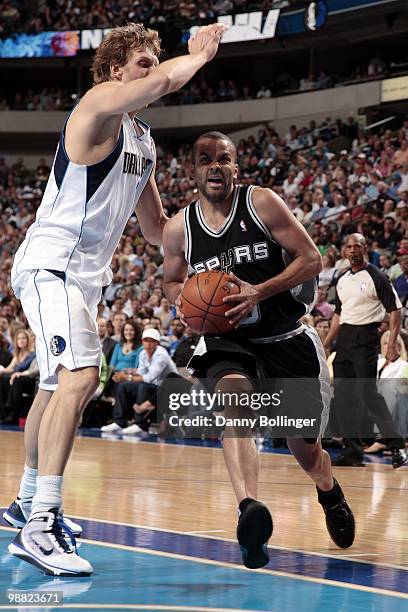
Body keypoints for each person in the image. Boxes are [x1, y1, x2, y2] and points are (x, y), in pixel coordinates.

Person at [5, 22, 227, 577]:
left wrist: (210, 230)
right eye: (143, 63)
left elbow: (155, 230)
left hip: (85, 277)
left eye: (156, 61)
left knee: (59, 385)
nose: (152, 71)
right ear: (112, 73)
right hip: (51, 263)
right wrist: (194, 58)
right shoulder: (96, 106)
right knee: (82, 377)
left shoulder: (142, 142)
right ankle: (41, 526)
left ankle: (25, 503)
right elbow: (162, 86)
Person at [163, 131, 355, 570]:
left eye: (224, 159)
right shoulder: (179, 228)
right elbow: (171, 279)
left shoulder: (261, 202)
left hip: (286, 337)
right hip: (230, 341)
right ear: (192, 170)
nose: (215, 166)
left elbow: (311, 258)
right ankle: (249, 509)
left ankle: (328, 489)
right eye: (206, 159)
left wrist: (260, 291)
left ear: (235, 168)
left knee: (305, 449)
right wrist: (185, 301)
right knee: (236, 405)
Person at [324, 233, 407, 468]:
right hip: (346, 340)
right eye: (348, 246)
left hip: (367, 337)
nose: (352, 250)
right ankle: (352, 451)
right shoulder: (341, 278)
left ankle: (397, 445)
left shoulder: (377, 276)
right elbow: (339, 314)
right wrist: (328, 341)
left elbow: (396, 310)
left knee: (368, 393)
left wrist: (390, 344)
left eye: (357, 246)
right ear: (344, 251)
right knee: (343, 397)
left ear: (365, 248)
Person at [101, 328, 177, 434]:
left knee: (143, 386)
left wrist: (126, 377)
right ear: (142, 342)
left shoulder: (161, 355)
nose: (148, 344)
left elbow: (149, 378)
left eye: (152, 341)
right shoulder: (143, 354)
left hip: (166, 389)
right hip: (152, 386)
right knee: (123, 386)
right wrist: (125, 373)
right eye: (146, 340)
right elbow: (141, 373)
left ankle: (140, 424)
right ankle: (120, 421)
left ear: (157, 343)